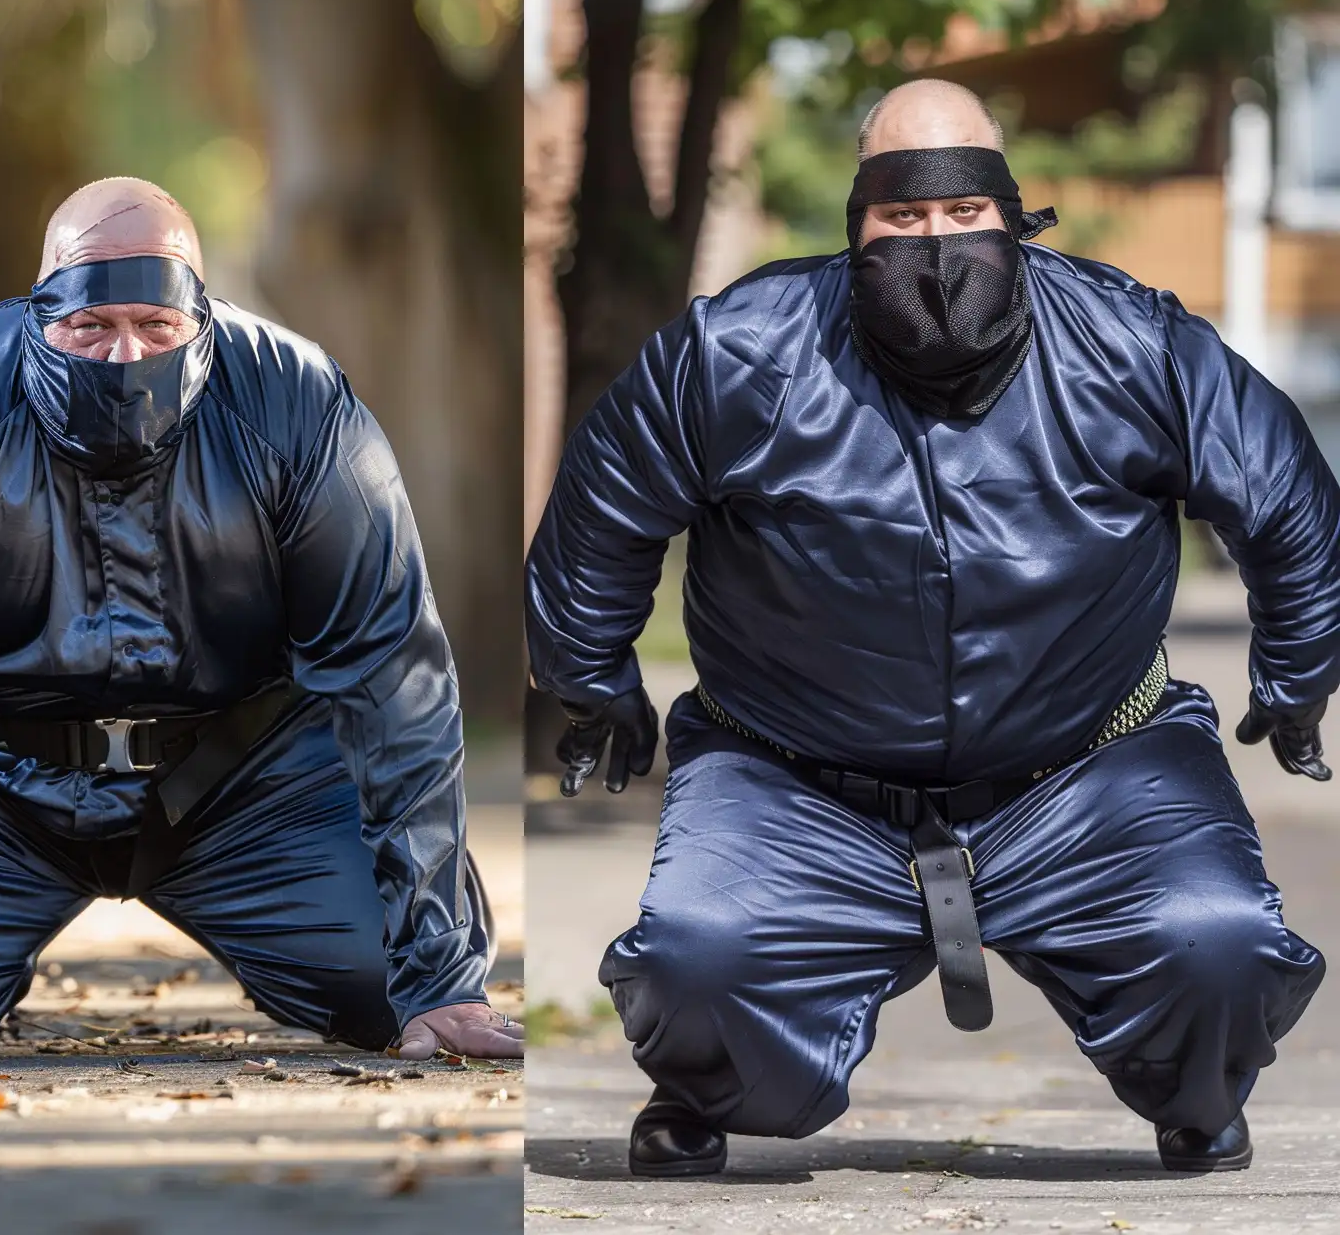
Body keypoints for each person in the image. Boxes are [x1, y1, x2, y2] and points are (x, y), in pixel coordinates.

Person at [526, 78, 1340, 1178]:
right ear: (855, 225)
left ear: (1013, 216)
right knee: (697, 959)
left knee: (1220, 945)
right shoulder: (738, 349)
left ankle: (1198, 1090)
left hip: (1088, 768)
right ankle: (708, 1085)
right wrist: (591, 675)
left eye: (964, 212)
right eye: (901, 216)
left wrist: (1297, 665)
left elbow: (1285, 489)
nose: (936, 240)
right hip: (796, 779)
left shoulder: (1133, 342)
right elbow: (604, 504)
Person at [0, 176, 519, 1072]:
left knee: (395, 988)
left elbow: (392, 681)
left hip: (242, 782)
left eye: (156, 326)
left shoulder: (298, 408)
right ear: (36, 311)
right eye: (89, 326)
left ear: (202, 318)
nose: (122, 356)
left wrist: (440, 971)